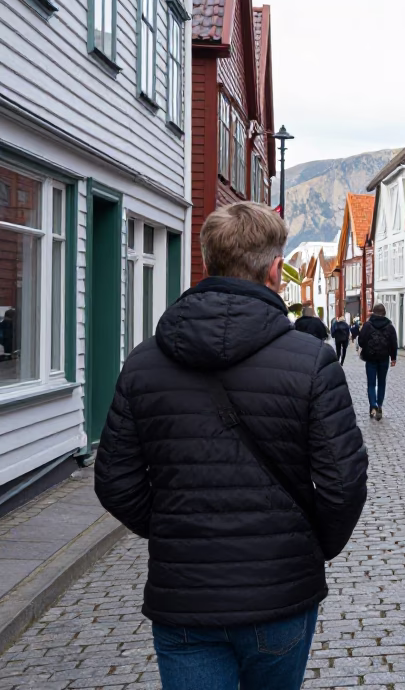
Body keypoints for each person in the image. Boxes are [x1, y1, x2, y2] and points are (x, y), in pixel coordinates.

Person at [93, 201, 368, 690]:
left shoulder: (143, 362)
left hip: (185, 598)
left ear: (208, 263)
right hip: (278, 591)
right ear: (275, 269)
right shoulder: (312, 361)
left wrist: (172, 532)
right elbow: (343, 482)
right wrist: (311, 547)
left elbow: (115, 480)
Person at [358, 303, 398, 420]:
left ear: (373, 313)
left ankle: (373, 405)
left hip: (370, 358)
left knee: (371, 383)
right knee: (381, 383)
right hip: (384, 358)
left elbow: (361, 341)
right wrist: (393, 357)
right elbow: (393, 343)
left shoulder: (367, 325)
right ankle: (379, 405)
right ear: (384, 313)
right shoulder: (389, 326)